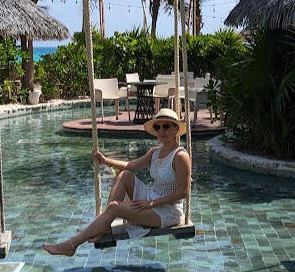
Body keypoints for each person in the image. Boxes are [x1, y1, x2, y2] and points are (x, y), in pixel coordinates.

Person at [42, 108, 191, 256]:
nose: (161, 131)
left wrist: (151, 203)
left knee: (114, 207)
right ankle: (105, 226)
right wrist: (106, 161)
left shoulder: (180, 156)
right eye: (157, 127)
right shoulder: (155, 152)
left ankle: (72, 244)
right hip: (151, 197)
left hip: (168, 211)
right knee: (125, 174)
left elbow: (183, 193)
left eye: (166, 126)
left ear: (176, 129)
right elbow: (131, 165)